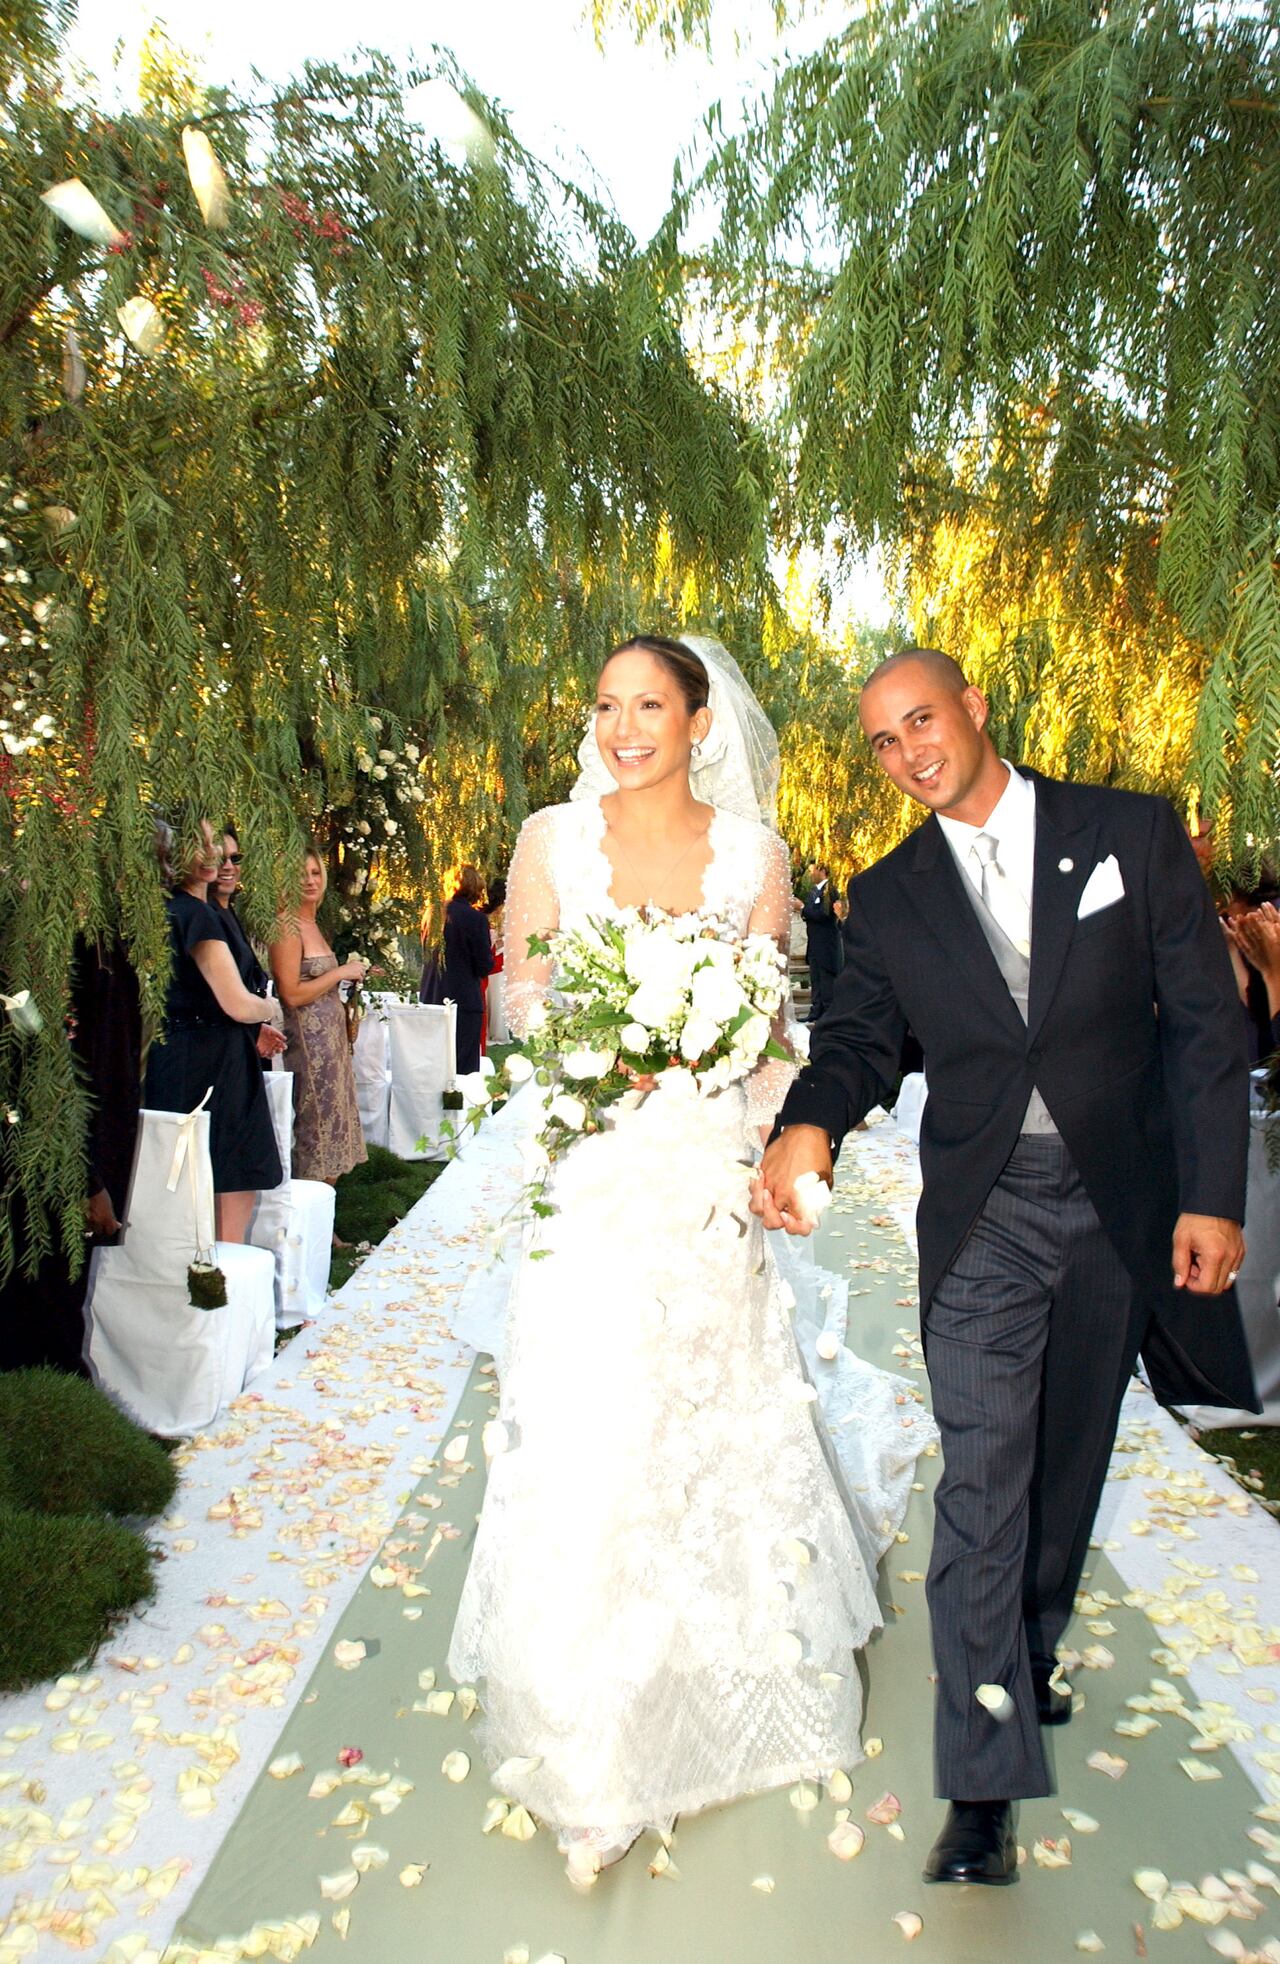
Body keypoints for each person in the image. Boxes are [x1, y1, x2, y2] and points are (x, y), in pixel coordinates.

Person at [754, 647, 1254, 1888]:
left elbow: (1202, 1021)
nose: (906, 750)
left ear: (974, 707)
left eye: (919, 718)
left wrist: (1209, 1194)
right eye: (880, 739)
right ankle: (978, 1782)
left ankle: (1026, 1644)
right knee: (981, 1478)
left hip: (1120, 1205)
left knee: (1067, 1461)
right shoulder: (888, 896)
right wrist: (809, 1115)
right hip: (984, 1215)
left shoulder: (1127, 832)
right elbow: (861, 1040)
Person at [448, 633, 937, 1886]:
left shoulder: (755, 858)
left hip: (706, 1181)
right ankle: (587, 1746)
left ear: (698, 716)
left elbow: (776, 1037)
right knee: (588, 1429)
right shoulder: (548, 841)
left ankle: (727, 1687)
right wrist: (603, 1039)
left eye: (648, 704)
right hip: (595, 1179)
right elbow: (517, 1001)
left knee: (709, 1422)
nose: (622, 726)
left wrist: (783, 1145)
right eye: (605, 702)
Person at [144, 818, 283, 1243]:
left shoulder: (164, 909)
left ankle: (199, 1269)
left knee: (187, 1170)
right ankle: (222, 1268)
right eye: (198, 844)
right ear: (173, 853)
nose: (212, 855)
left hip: (177, 1054)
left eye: (215, 846)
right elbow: (236, 1001)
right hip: (214, 1060)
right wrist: (270, 1007)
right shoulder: (198, 916)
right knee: (231, 1169)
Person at [269, 848, 368, 1190]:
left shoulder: (312, 923)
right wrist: (340, 971)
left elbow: (319, 981)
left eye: (315, 873)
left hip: (332, 1039)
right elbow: (291, 993)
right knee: (316, 1125)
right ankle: (306, 1216)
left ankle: (326, 1216)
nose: (310, 881)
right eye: (301, 874)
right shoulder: (286, 926)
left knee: (336, 1119)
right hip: (309, 1044)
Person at [211, 827, 287, 1066]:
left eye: (235, 858)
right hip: (218, 1052)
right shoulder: (204, 916)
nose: (228, 866)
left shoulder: (227, 910)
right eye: (218, 858)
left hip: (242, 1041)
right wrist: (267, 1011)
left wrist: (257, 1029)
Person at [441, 865, 495, 1075]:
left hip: (433, 994)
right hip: (463, 998)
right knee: (462, 1065)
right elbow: (483, 965)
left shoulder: (431, 914)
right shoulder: (476, 919)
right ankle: (459, 1106)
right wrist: (489, 946)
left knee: (435, 1058)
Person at [801, 861, 842, 1022]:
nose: (811, 874)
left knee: (826, 982)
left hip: (826, 945)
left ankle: (828, 1014)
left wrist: (803, 909)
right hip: (814, 945)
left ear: (823, 870)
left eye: (813, 871)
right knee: (816, 979)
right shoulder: (814, 891)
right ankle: (815, 1010)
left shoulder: (830, 890)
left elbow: (824, 914)